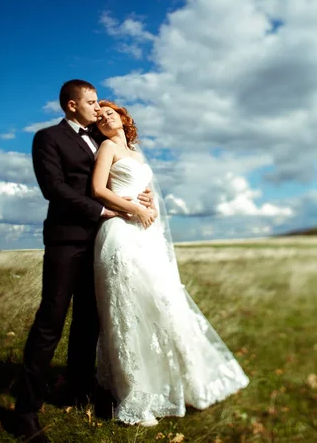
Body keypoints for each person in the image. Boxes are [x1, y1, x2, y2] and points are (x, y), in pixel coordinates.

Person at [92, 101, 250, 427]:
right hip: (120, 233)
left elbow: (142, 189)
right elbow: (97, 189)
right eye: (100, 116)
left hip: (145, 233)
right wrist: (133, 209)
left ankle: (181, 380)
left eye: (111, 112)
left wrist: (146, 200)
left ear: (123, 117)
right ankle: (136, 393)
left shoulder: (135, 152)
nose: (106, 117)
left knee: (163, 305)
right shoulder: (106, 147)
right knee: (129, 311)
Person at [14, 80, 154, 442]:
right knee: (52, 319)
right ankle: (25, 411)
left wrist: (138, 195)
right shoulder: (48, 138)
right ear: (72, 105)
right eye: (91, 102)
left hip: (103, 244)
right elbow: (54, 189)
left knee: (89, 321)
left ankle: (78, 389)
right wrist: (104, 209)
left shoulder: (101, 140)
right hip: (67, 240)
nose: (98, 107)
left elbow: (118, 177)